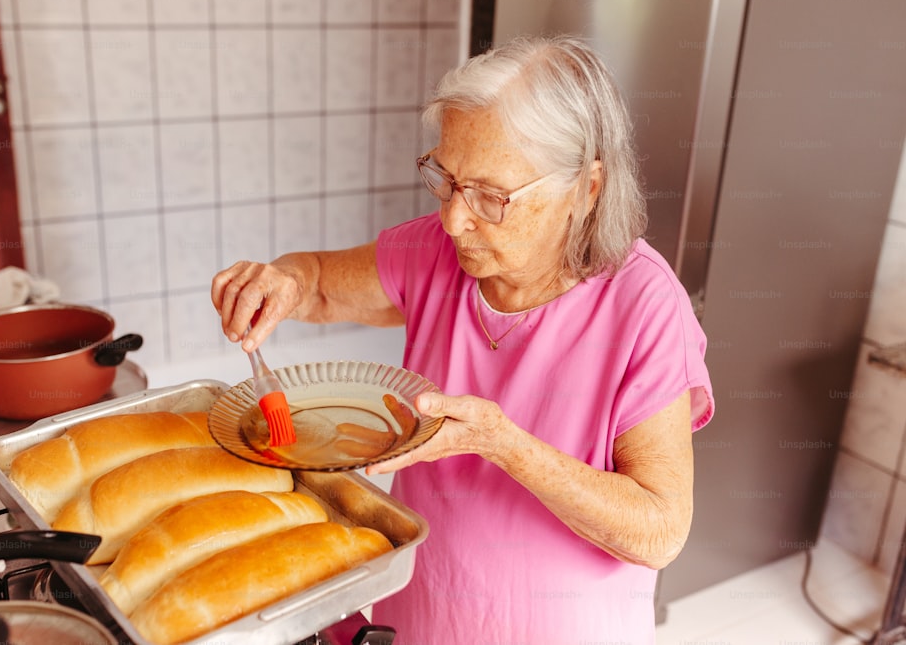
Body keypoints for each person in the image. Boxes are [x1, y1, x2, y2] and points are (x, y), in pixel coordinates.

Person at [211, 35, 714, 644]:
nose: (454, 218)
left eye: (490, 196)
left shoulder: (644, 305)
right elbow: (316, 284)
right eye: (446, 180)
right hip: (425, 615)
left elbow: (659, 530)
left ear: (586, 189)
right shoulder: (436, 251)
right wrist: (281, 281)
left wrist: (502, 444)